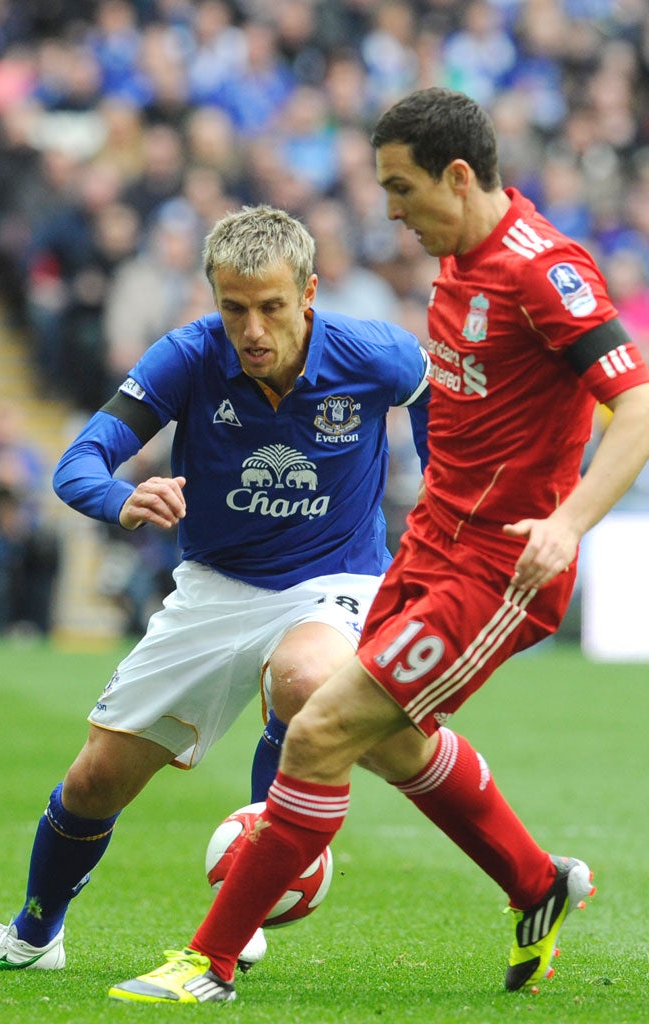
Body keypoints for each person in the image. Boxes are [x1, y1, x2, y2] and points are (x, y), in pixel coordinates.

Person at [114, 87, 649, 1004]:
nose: (390, 211)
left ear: (458, 174)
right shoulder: (458, 263)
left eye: (401, 189)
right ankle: (537, 884)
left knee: (321, 728)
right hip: (427, 549)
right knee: (392, 740)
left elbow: (636, 405)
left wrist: (567, 524)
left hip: (497, 569)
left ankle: (209, 962)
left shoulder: (543, 272)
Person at [0, 205, 430, 972]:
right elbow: (78, 464)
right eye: (234, 308)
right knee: (95, 779)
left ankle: (249, 891)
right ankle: (34, 937)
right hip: (213, 589)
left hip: (336, 580)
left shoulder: (373, 353)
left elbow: (429, 388)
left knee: (303, 680)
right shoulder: (189, 356)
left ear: (309, 293)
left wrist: (438, 492)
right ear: (214, 301)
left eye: (270, 307)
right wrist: (122, 499)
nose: (253, 329)